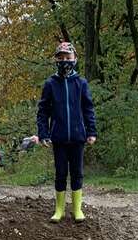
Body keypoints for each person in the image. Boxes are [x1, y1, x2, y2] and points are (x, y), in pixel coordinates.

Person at [35, 41, 96, 222]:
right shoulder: (50, 84)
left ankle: (77, 210)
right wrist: (43, 133)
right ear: (56, 60)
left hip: (78, 137)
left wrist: (91, 131)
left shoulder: (81, 83)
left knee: (77, 173)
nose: (64, 61)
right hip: (58, 138)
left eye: (68, 57)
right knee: (60, 173)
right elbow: (43, 111)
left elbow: (88, 109)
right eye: (60, 58)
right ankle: (59, 209)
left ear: (75, 59)